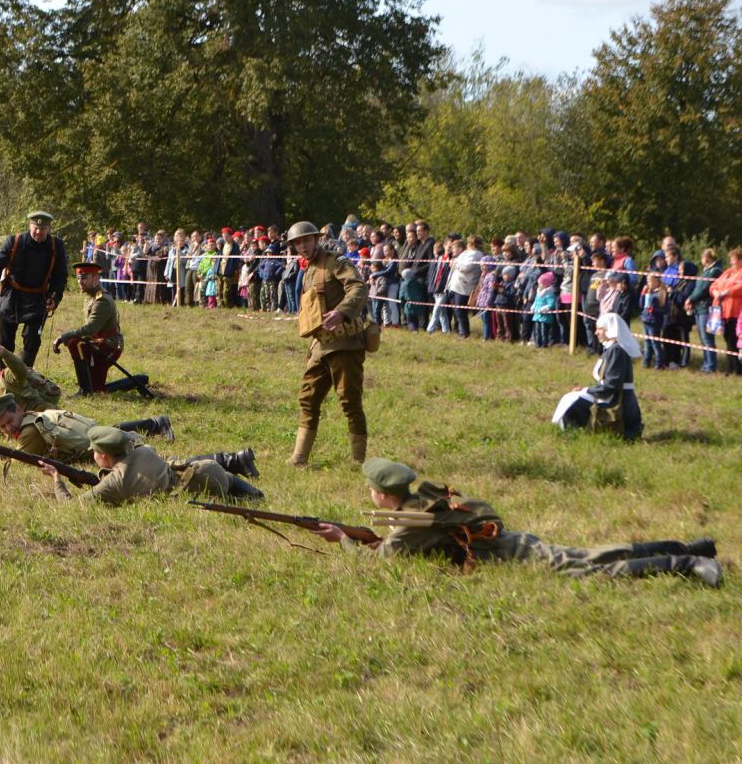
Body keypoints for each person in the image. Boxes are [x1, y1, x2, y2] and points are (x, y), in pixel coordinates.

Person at [303, 459, 719, 586]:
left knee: (601, 566)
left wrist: (343, 540)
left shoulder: (412, 520)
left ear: (381, 493)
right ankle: (687, 549)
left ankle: (687, 563)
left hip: (515, 554)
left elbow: (384, 562)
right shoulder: (423, 497)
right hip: (516, 543)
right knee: (601, 555)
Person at [0, 393, 257, 478]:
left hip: (106, 451)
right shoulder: (36, 417)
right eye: (2, 428)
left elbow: (23, 459)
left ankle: (231, 460)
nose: (7, 429)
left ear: (18, 410)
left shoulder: (29, 431)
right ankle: (232, 460)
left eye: (8, 422)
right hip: (103, 439)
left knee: (167, 468)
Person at [284, 221, 371, 467]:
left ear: (316, 240)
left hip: (345, 344)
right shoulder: (308, 269)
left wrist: (342, 312)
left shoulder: (336, 262)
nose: (302, 246)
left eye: (306, 241)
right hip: (320, 346)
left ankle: (359, 461)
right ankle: (299, 457)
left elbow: (358, 287)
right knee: (308, 398)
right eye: (297, 243)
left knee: (349, 401)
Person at [36, 426, 263, 506]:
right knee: (228, 481)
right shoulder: (143, 450)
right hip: (210, 469)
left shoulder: (117, 482)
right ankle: (256, 496)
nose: (93, 456)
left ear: (104, 456)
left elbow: (72, 506)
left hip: (197, 490)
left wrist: (57, 479)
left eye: (95, 452)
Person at [0, 211, 69, 368]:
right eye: (35, 227)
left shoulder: (57, 246)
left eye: (42, 229)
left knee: (32, 339)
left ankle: (24, 376)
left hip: (38, 299)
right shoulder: (14, 241)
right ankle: (4, 377)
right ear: (30, 225)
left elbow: (60, 276)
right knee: (5, 341)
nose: (38, 232)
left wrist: (55, 298)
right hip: (11, 298)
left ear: (49, 228)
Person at [53, 261, 148, 395]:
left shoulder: (101, 301)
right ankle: (137, 380)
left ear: (96, 278)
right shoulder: (92, 297)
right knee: (98, 389)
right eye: (79, 277)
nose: (80, 281)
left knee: (75, 343)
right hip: (98, 343)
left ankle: (85, 390)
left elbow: (89, 329)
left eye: (85, 277)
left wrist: (63, 337)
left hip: (109, 346)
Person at [551, 314, 644, 441]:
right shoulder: (612, 349)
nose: (596, 332)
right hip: (614, 396)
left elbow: (612, 385)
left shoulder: (616, 350)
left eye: (600, 329)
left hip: (619, 401)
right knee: (571, 398)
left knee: (574, 403)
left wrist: (587, 390)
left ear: (610, 329)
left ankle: (575, 434)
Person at [689, 249, 723, 373]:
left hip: (706, 308)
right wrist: (691, 300)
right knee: (702, 339)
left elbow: (703, 289)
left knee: (707, 338)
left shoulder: (715, 271)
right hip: (698, 307)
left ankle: (711, 366)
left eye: (702, 257)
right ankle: (706, 363)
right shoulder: (705, 271)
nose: (701, 259)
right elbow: (697, 287)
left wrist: (690, 299)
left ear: (708, 258)